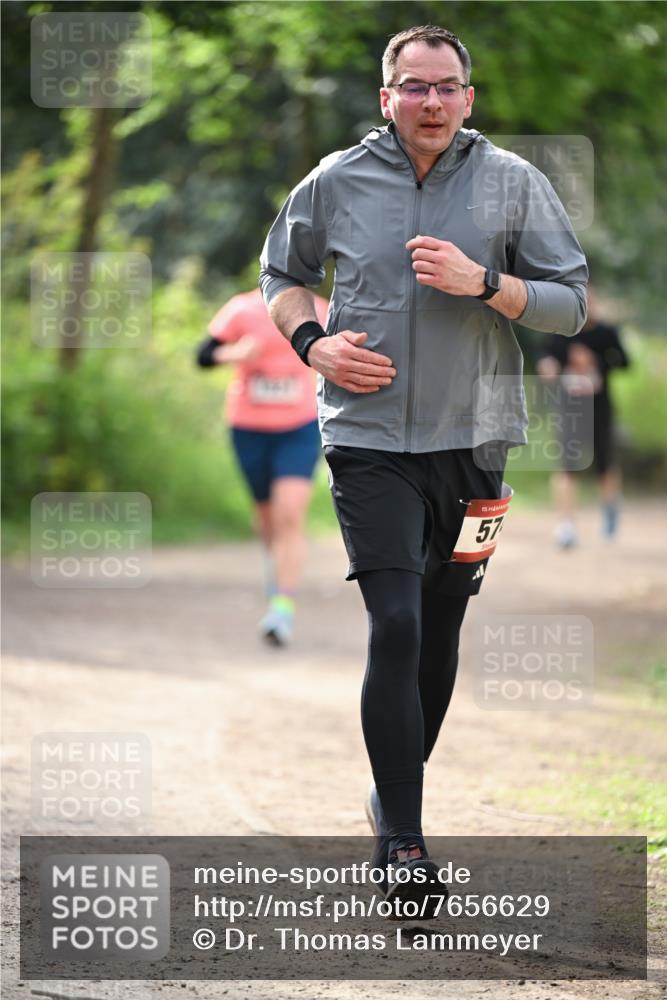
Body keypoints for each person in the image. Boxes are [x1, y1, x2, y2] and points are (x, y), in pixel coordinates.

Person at [259, 24, 588, 908]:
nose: (431, 101)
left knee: (440, 628)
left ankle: (387, 792)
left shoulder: (513, 183)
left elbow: (569, 306)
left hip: (477, 443)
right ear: (387, 97)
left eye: (446, 87)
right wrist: (311, 344)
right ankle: (405, 845)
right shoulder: (336, 179)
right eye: (414, 86)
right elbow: (279, 273)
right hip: (365, 437)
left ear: (467, 98)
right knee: (396, 620)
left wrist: (485, 283)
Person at [196, 286, 329, 646]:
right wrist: (235, 353)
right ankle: (277, 575)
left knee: (289, 514)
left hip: (299, 428)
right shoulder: (241, 309)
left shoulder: (320, 309)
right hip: (248, 428)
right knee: (267, 516)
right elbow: (203, 356)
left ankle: (282, 607)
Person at [536, 289, 630, 548]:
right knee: (568, 465)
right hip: (570, 409)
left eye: (590, 301)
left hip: (600, 408)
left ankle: (611, 506)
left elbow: (624, 362)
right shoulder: (561, 332)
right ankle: (566, 524)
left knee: (605, 464)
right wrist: (548, 366)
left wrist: (596, 361)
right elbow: (545, 357)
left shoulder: (606, 333)